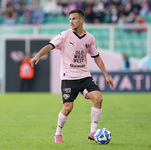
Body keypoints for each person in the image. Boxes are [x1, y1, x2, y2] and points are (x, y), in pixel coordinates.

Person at [30, 9, 114, 143]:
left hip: (84, 76)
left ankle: (92, 132)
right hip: (68, 77)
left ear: (81, 20)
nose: (71, 22)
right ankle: (58, 132)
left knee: (98, 99)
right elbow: (50, 46)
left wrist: (106, 75)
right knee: (68, 108)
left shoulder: (90, 38)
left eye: (74, 19)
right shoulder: (64, 35)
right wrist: (38, 56)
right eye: (70, 19)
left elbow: (96, 58)